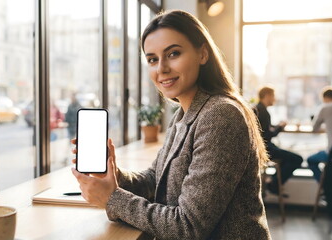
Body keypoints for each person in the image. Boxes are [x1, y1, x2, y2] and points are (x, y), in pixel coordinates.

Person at [71, 10, 271, 239]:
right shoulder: (184, 114)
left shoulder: (220, 115)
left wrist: (112, 198)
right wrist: (113, 173)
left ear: (203, 54)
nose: (161, 68)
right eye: (152, 59)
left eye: (173, 53)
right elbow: (154, 180)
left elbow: (188, 226)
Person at [254, 86, 303, 195]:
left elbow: (265, 129)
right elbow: (267, 135)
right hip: (266, 149)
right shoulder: (263, 112)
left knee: (287, 158)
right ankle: (274, 184)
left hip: (262, 148)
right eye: (273, 96)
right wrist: (280, 127)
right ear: (267, 96)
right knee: (297, 159)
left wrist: (277, 126)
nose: (274, 99)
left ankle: (272, 182)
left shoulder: (258, 109)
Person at [308, 87, 332, 182]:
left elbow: (314, 128)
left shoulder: (324, 108)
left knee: (311, 160)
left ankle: (325, 185)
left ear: (325, 98)